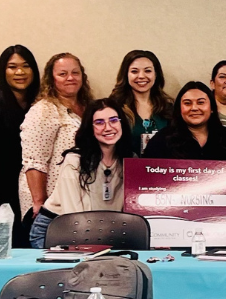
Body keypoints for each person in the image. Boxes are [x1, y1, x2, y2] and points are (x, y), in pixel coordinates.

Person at [28, 99, 134, 248]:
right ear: (90, 128)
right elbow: (74, 220)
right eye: (99, 122)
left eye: (113, 120)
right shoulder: (75, 161)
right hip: (57, 229)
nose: (108, 127)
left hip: (103, 232)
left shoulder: (130, 160)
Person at [19, 53, 93, 231]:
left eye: (75, 73)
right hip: (48, 205)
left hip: (75, 201)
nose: (70, 78)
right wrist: (40, 202)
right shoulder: (43, 111)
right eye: (62, 74)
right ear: (51, 79)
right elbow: (34, 161)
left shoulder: (88, 108)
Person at [0, 46, 40, 247]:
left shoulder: (42, 103)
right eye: (12, 67)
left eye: (26, 66)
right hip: (4, 189)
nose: (19, 72)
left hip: (34, 188)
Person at [142, 82, 226, 160]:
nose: (194, 108)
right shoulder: (162, 140)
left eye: (200, 102)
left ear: (212, 108)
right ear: (179, 109)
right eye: (187, 103)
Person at [109, 50, 173, 155]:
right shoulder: (114, 108)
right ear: (126, 75)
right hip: (123, 168)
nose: (141, 76)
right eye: (134, 71)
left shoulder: (168, 108)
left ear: (156, 74)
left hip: (160, 169)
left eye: (148, 71)